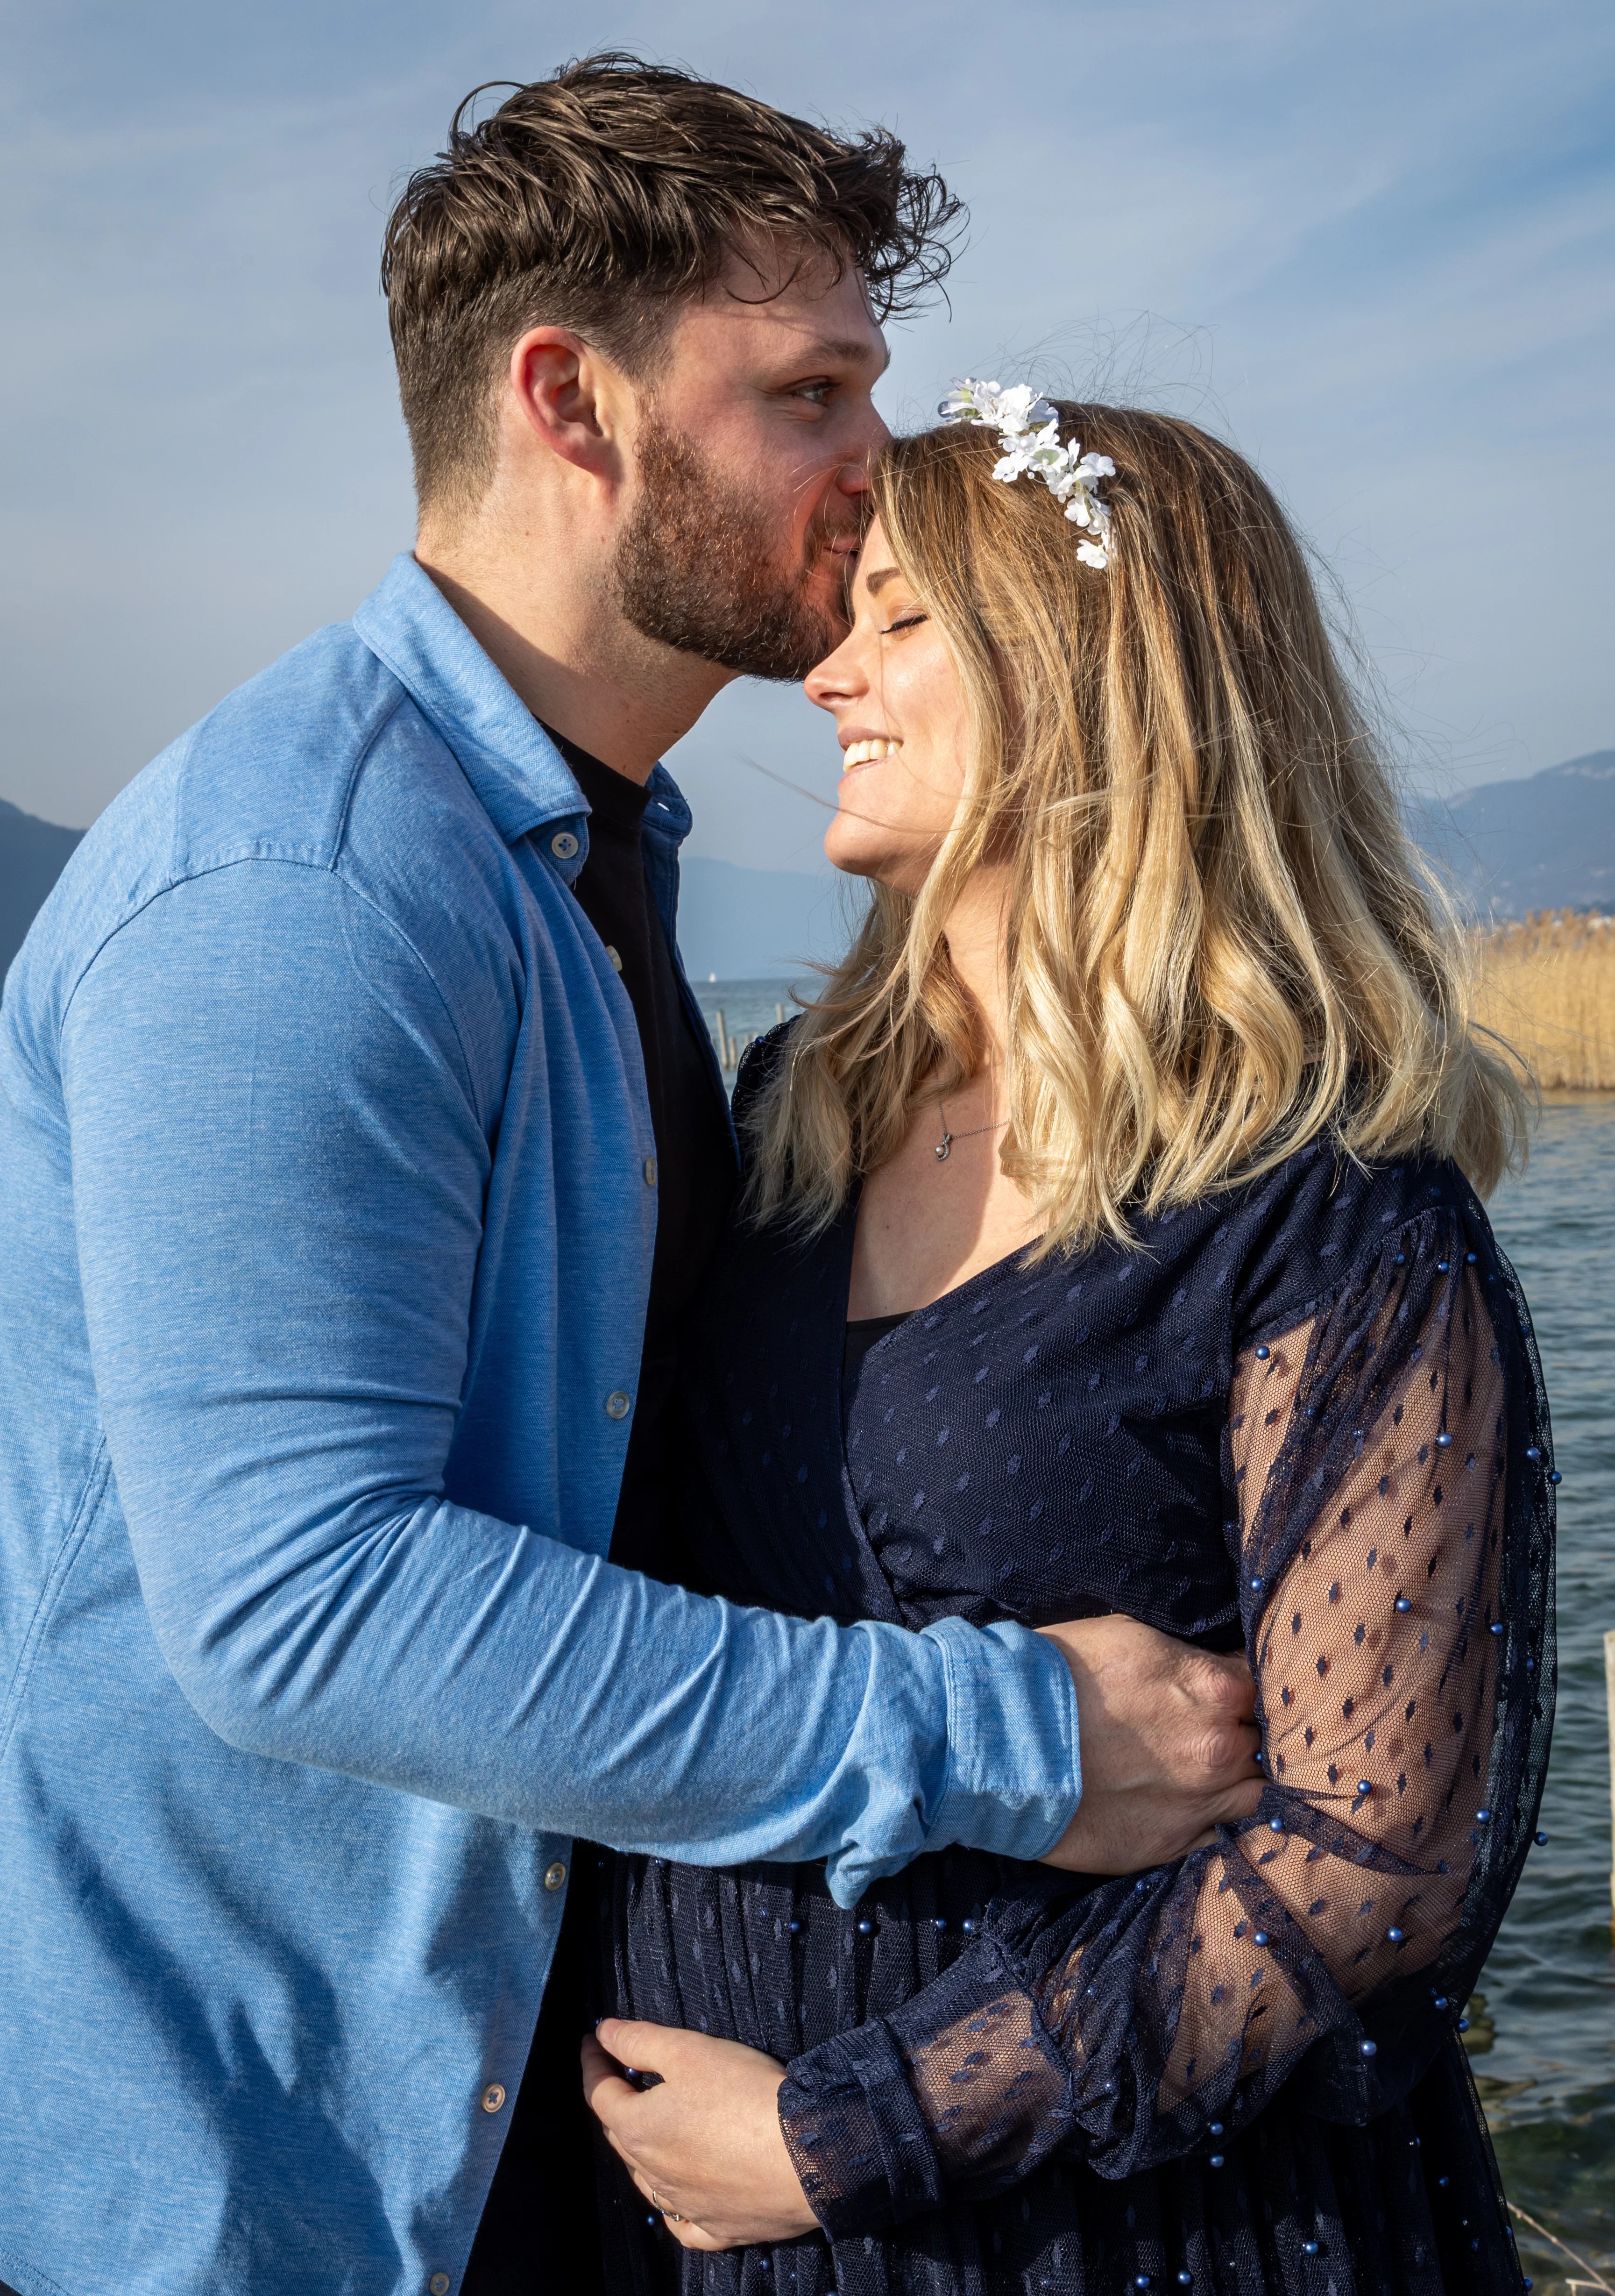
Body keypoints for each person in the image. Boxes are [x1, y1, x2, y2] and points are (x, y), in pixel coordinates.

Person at [0, 67, 1262, 2296]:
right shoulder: (307, 876)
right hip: (243, 2168)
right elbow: (303, 1602)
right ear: (569, 403)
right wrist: (1017, 1735)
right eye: (807, 391)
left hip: (512, 2118)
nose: (880, 459)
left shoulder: (600, 857)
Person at [580, 396, 1557, 2295]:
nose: (827, 674)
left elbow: (1376, 1857)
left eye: (898, 618)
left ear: (1095, 678)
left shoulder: (1331, 1208)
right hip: (728, 2240)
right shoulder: (788, 1115)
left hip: (1142, 2236)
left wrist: (844, 2132)